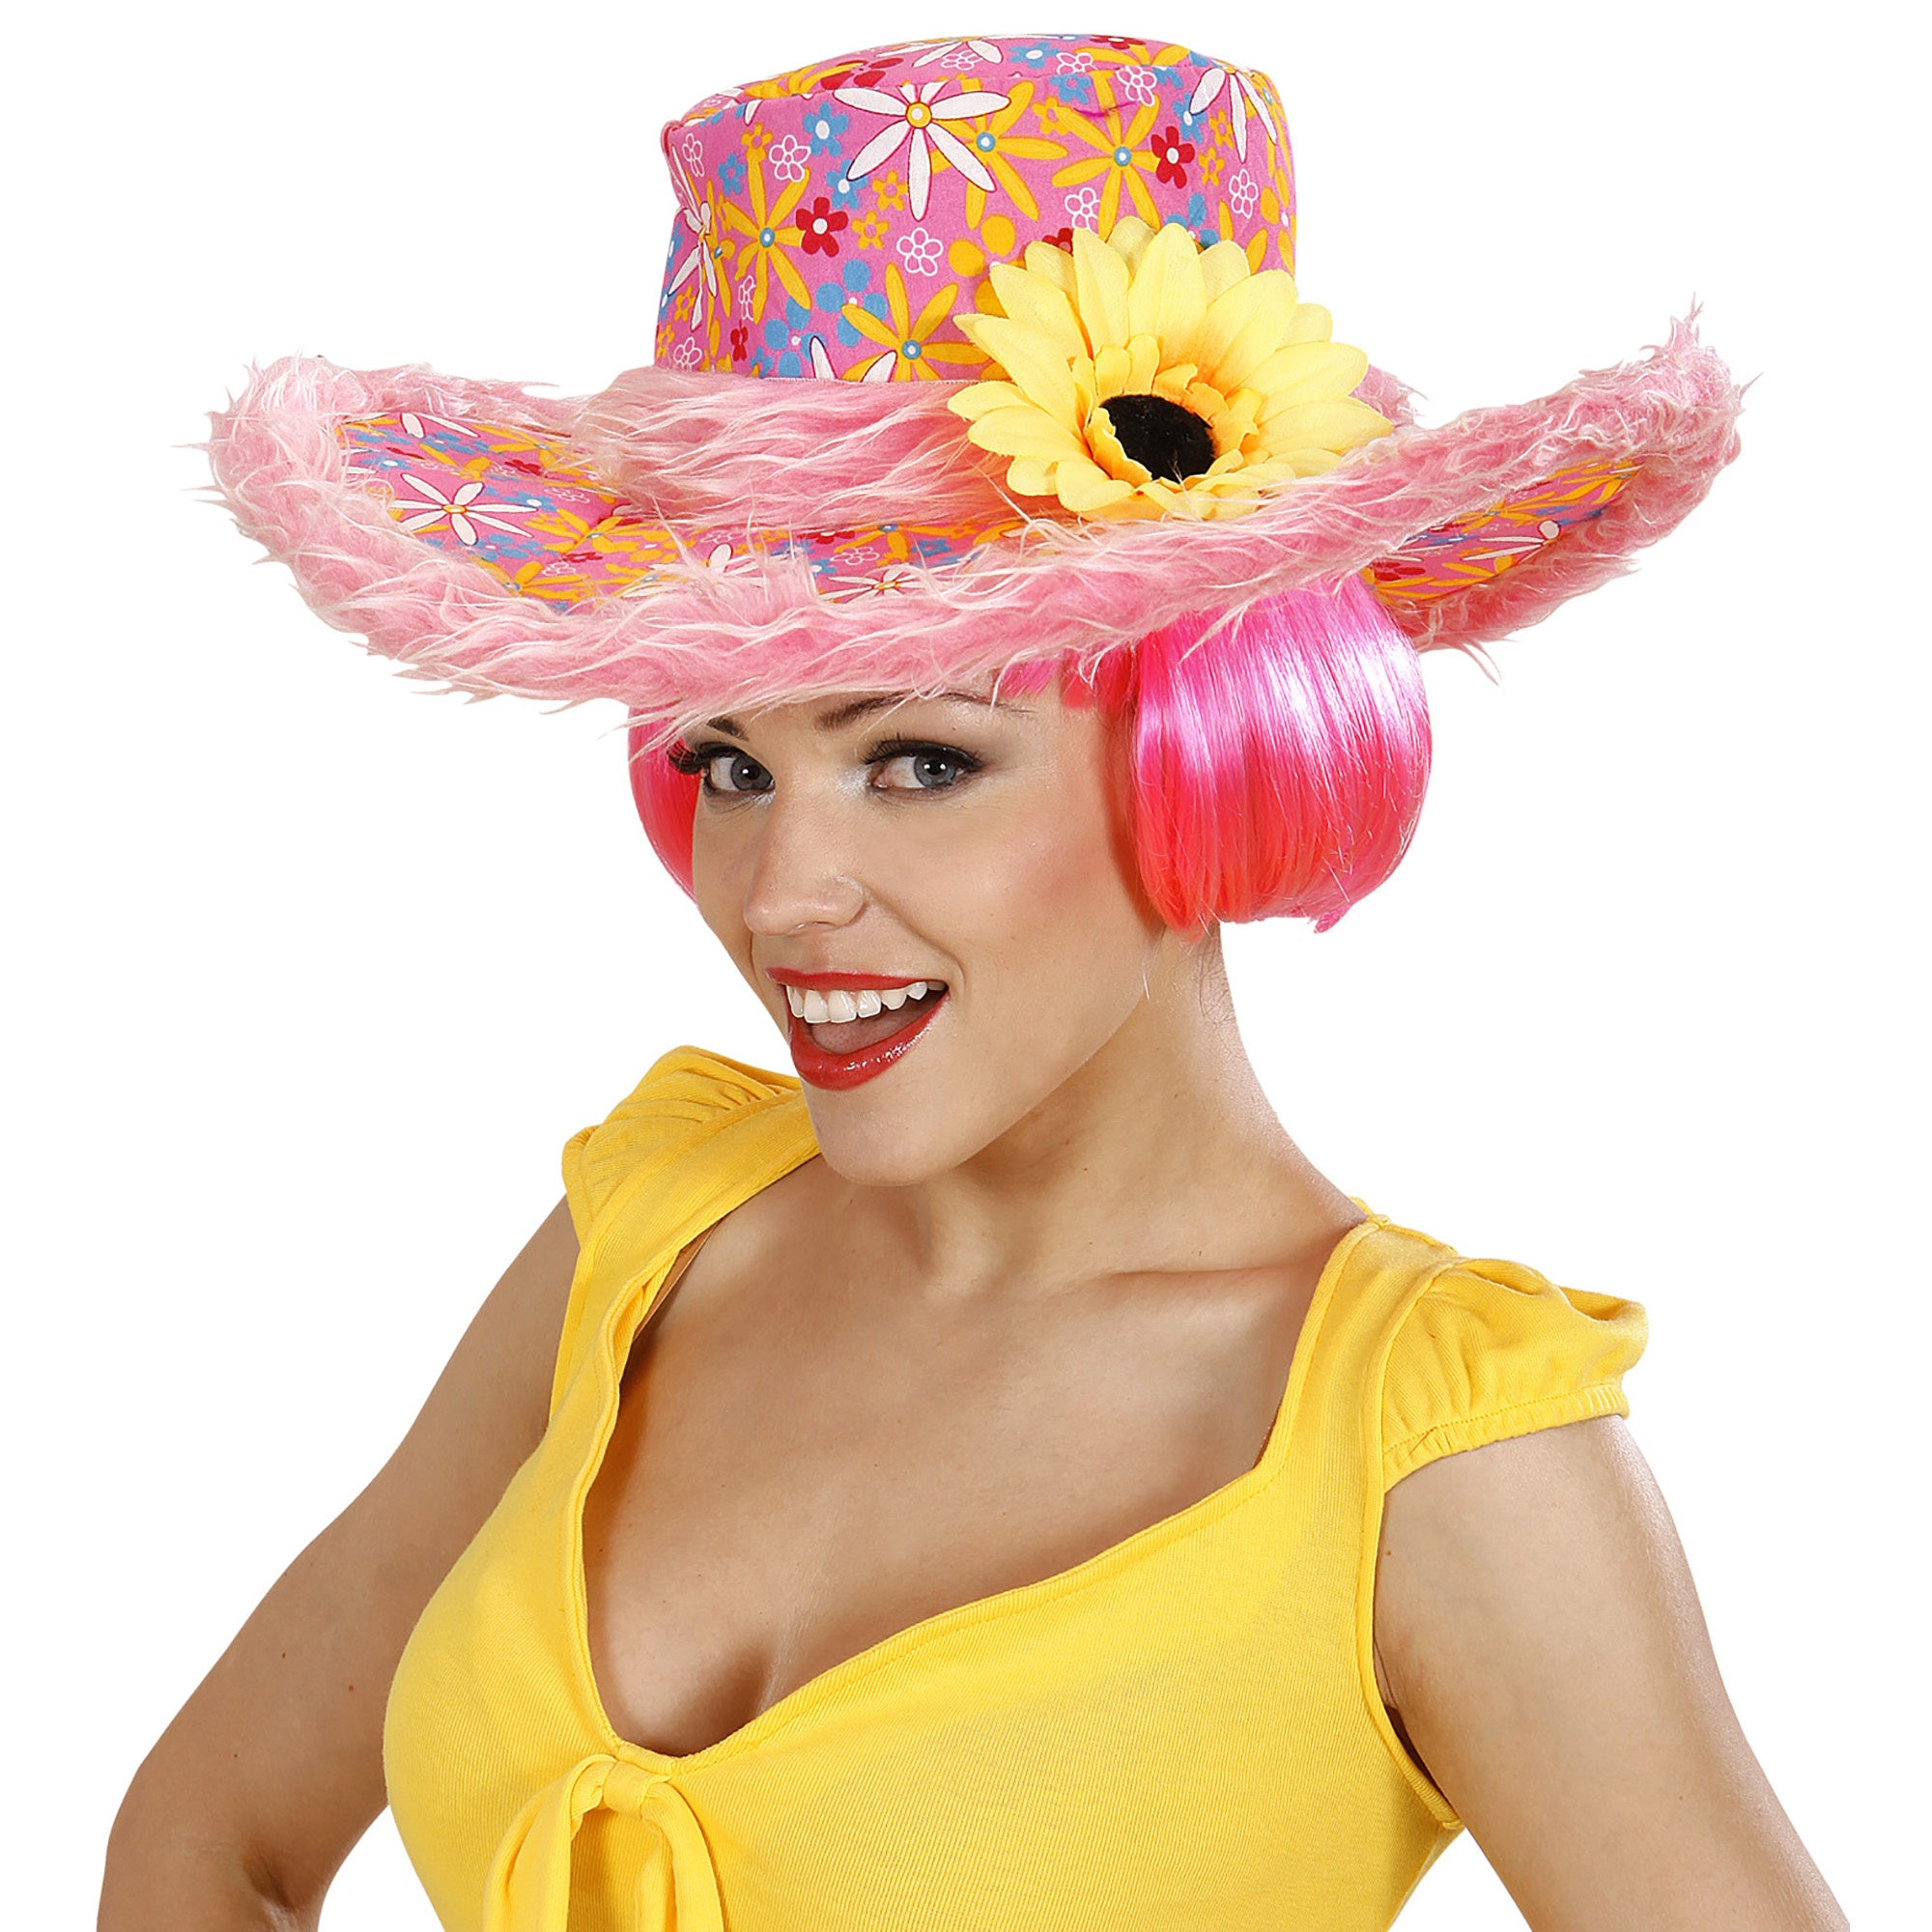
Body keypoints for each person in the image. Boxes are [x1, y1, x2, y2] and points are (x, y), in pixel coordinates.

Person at [99, 29, 1848, 1932]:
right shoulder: (650, 1241)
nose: (780, 892)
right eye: (728, 763)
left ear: (1204, 747)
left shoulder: (1426, 1452)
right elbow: (208, 1841)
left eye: (919, 760)